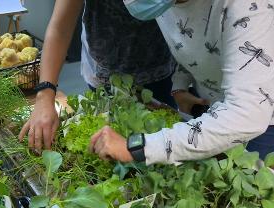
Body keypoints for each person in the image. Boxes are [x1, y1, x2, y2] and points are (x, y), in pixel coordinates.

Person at [90, 0, 274, 173]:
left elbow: (246, 113)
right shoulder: (164, 3)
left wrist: (139, 147)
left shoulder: (250, 6)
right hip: (222, 105)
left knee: (254, 206)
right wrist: (180, 85)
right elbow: (193, 37)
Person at [18, 0, 176, 152]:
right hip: (104, 69)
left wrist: (182, 83)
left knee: (163, 140)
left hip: (157, 69)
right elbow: (60, 29)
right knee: (105, 139)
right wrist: (44, 96)